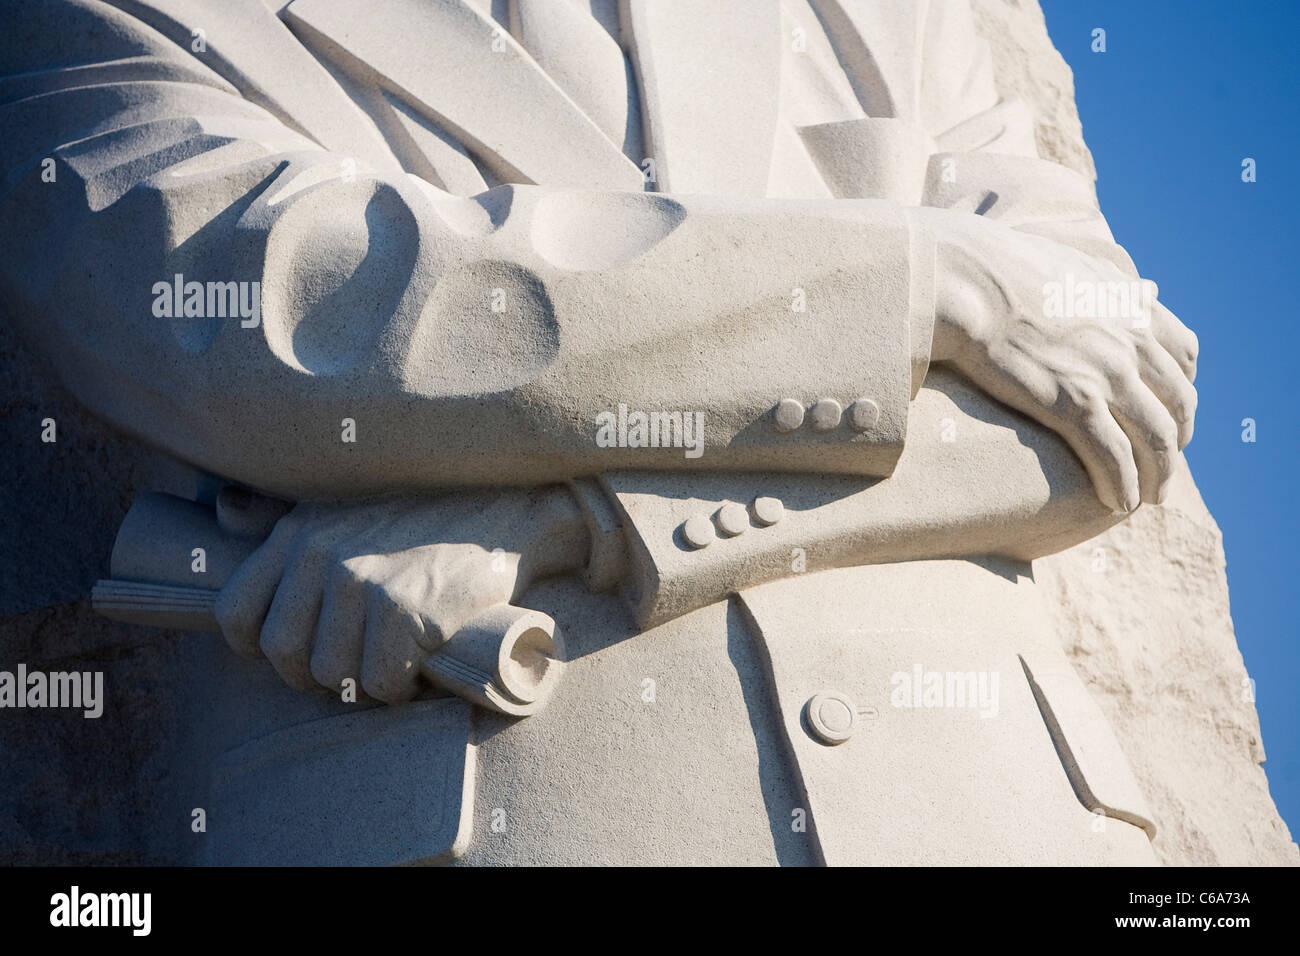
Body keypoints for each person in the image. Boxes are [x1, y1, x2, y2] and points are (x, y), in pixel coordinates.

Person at [0, 0, 1196, 864]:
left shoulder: (900, 16)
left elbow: (1108, 409)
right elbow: (278, 319)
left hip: (985, 816)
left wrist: (562, 519)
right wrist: (911, 282)